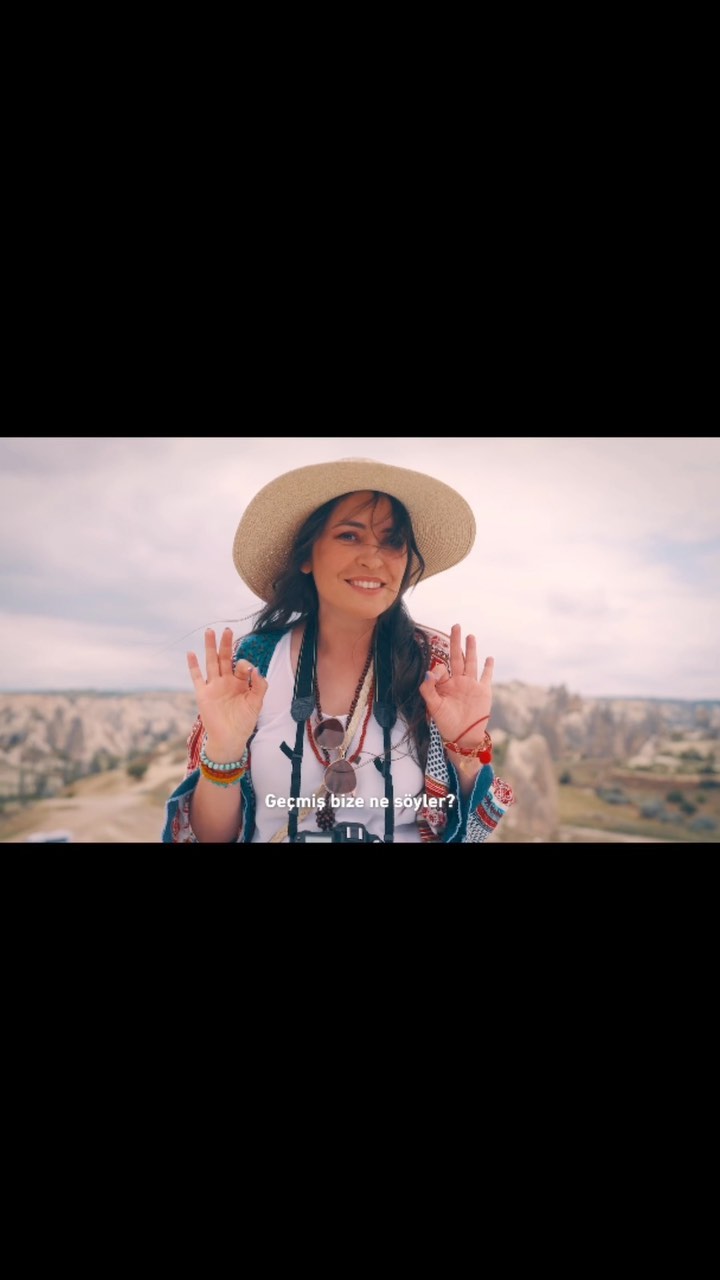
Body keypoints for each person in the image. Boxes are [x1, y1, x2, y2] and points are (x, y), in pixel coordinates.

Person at [162, 458, 515, 843]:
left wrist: (466, 747)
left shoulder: (433, 665)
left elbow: (472, 830)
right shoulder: (253, 665)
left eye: (393, 541)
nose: (374, 558)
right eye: (349, 536)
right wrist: (225, 749)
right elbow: (209, 837)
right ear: (305, 556)